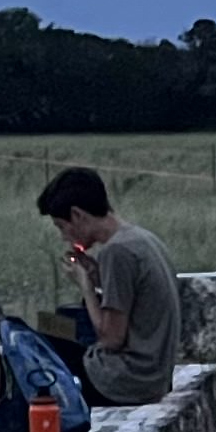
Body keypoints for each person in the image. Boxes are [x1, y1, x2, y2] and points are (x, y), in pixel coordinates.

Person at [34, 166, 182, 407]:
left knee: (26, 343)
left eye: (62, 226)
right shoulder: (141, 238)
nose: (64, 237)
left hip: (124, 381)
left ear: (78, 215)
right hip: (153, 376)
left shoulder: (117, 252)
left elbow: (111, 338)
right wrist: (97, 277)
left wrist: (85, 286)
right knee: (50, 326)